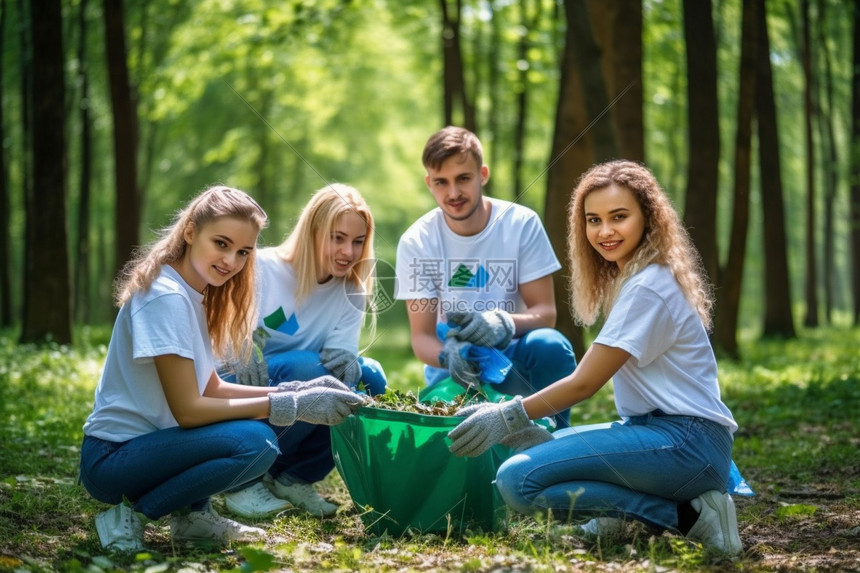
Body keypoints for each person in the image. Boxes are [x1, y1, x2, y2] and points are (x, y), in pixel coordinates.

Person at [446, 160, 742, 556]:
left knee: (518, 480)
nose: (604, 231)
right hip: (661, 435)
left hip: (686, 444)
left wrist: (507, 416)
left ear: (648, 218)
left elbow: (585, 382)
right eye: (594, 219)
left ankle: (688, 517)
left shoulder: (649, 288)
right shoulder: (633, 279)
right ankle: (622, 515)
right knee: (543, 450)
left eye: (619, 217)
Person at [79, 185, 366, 552]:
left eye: (244, 251)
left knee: (252, 438)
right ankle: (130, 515)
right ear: (190, 232)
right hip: (114, 458)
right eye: (221, 244)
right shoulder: (166, 297)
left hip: (152, 449)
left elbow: (211, 385)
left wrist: (295, 392)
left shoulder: (193, 294)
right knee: (254, 444)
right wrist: (290, 407)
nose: (231, 260)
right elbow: (189, 410)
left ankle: (192, 517)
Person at [221, 183, 387, 519]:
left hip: (301, 389)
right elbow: (217, 333)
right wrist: (239, 345)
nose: (348, 252)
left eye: (357, 242)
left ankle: (293, 476)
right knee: (309, 369)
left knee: (369, 377)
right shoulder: (261, 267)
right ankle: (243, 477)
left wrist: (348, 362)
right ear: (312, 232)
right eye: (337, 238)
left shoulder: (350, 289)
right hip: (242, 384)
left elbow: (339, 352)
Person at [394, 126, 577, 429]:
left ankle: (557, 441)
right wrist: (449, 356)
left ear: (483, 174)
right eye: (441, 182)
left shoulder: (521, 224)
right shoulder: (417, 241)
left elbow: (546, 314)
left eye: (463, 178)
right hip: (453, 366)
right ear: (429, 183)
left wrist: (502, 323)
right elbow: (422, 338)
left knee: (551, 346)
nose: (453, 193)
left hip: (515, 357)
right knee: (459, 453)